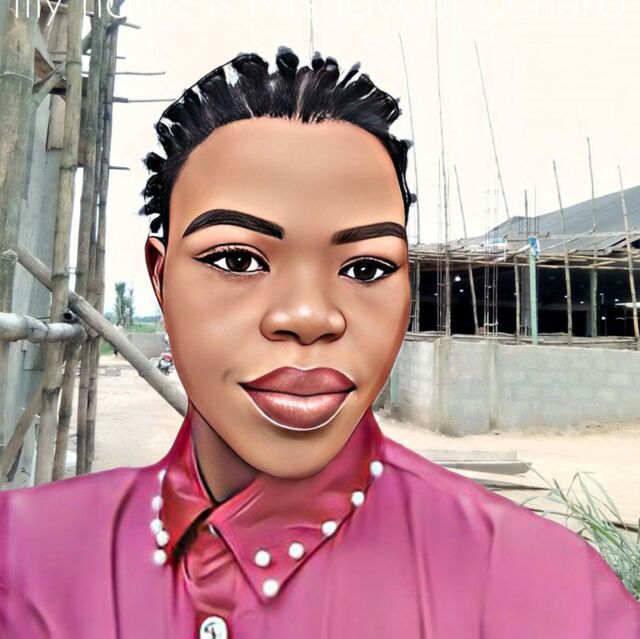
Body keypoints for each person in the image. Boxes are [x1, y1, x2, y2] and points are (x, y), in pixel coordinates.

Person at [1, 48, 638, 638]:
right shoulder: (23, 564)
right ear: (161, 279)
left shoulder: (549, 595)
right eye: (237, 259)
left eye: (366, 267)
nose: (309, 316)